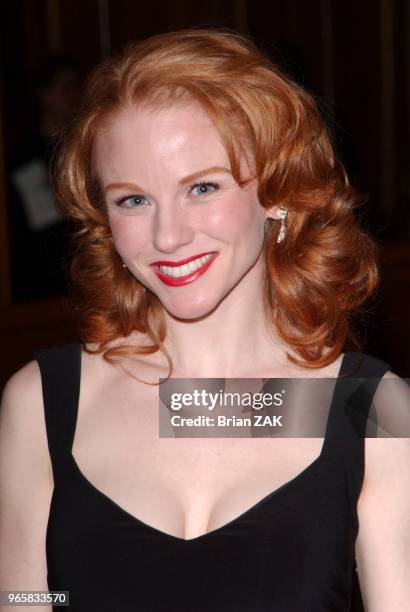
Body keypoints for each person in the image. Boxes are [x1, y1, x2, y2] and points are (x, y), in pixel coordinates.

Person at [0, 27, 409, 612]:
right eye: (133, 199)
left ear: (278, 191)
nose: (168, 236)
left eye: (202, 187)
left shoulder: (372, 413)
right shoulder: (43, 404)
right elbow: (23, 598)